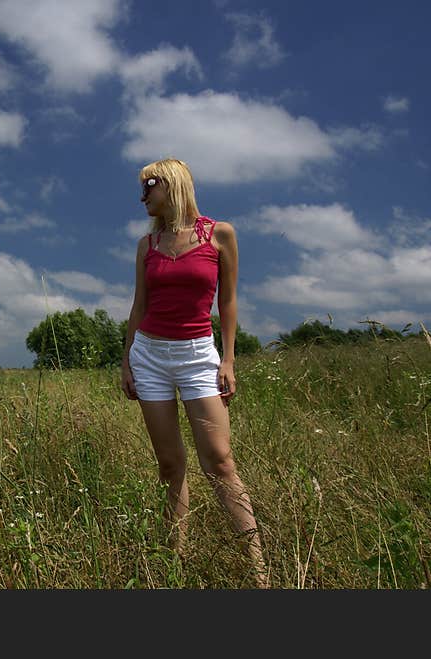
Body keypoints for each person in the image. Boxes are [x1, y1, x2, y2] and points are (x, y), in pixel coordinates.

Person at [120, 158, 268, 588]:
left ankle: (258, 570)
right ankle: (173, 566)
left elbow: (228, 302)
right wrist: (127, 359)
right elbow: (140, 305)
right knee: (170, 465)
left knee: (220, 462)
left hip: (199, 355)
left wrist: (228, 358)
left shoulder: (219, 233)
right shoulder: (147, 246)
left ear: (172, 184)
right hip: (150, 356)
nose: (142, 196)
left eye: (149, 186)